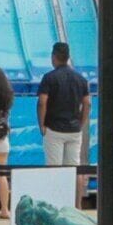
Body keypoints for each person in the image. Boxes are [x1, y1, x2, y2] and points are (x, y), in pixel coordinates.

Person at [38, 41, 92, 169]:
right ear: (68, 57)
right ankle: (70, 190)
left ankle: (55, 190)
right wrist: (81, 123)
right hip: (74, 129)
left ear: (53, 57)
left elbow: (42, 102)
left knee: (54, 169)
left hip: (54, 128)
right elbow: (87, 104)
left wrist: (42, 125)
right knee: (73, 169)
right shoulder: (81, 79)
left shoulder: (49, 78)